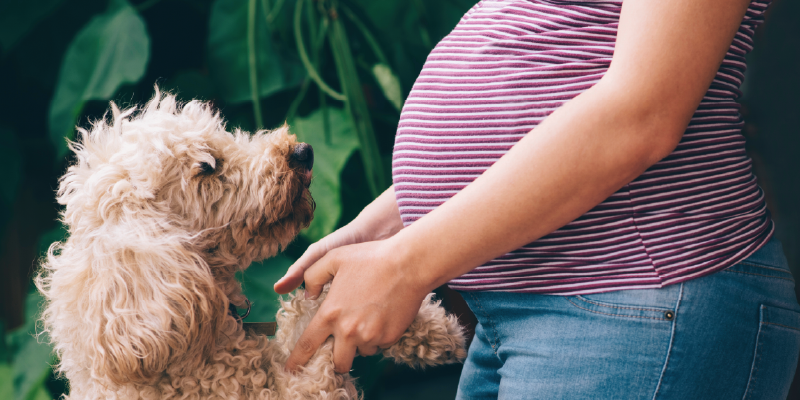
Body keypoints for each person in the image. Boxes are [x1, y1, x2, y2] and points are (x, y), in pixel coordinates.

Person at [273, 0, 800, 398]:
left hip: (636, 294)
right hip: (552, 312)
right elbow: (568, 63)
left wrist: (404, 266)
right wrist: (395, 220)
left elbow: (645, 113)